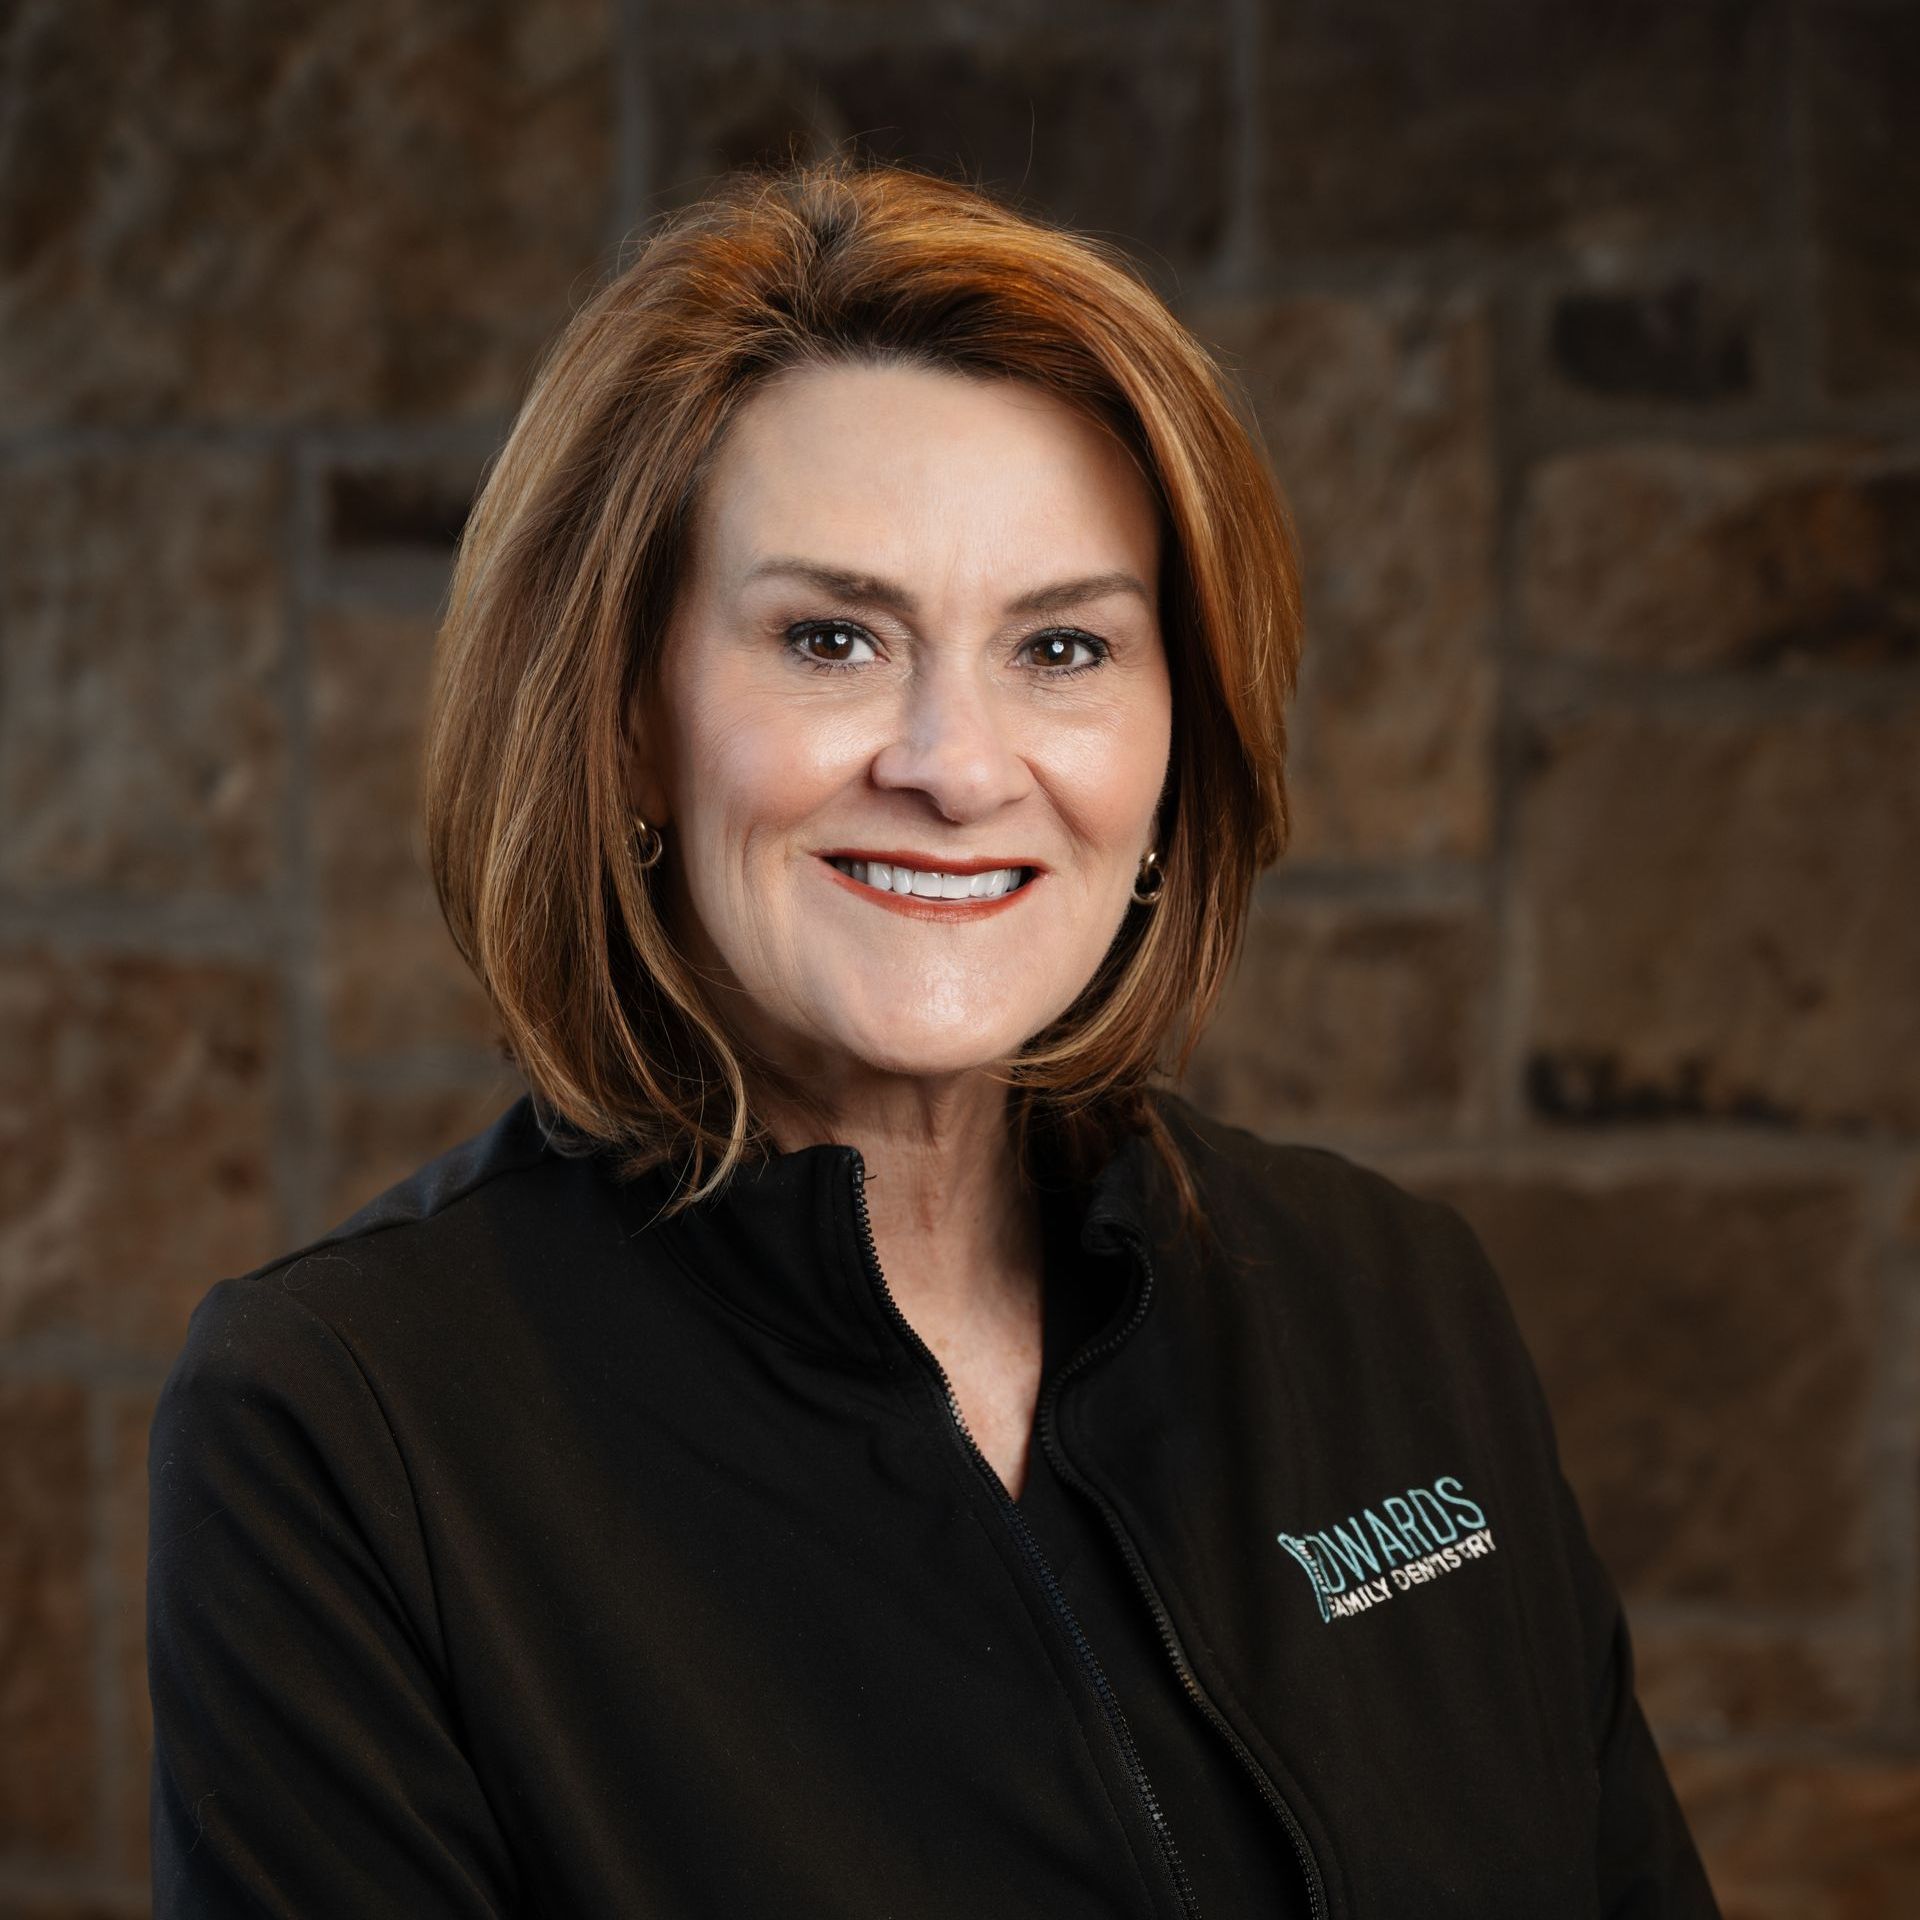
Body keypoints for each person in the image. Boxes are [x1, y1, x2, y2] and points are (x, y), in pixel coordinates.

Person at [146, 155, 1720, 1918]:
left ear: (1177, 732)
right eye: (831, 639)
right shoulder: (351, 1427)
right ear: (627, 722)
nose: (957, 768)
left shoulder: (1392, 1300)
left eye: (1064, 648)